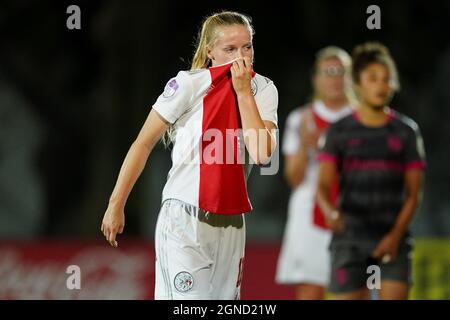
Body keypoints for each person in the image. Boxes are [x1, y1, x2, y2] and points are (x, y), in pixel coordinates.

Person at [100, 11, 278, 300]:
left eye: (247, 47)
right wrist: (116, 203)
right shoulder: (188, 84)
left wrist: (244, 94)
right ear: (210, 52)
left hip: (232, 222)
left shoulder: (264, 90)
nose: (241, 56)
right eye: (230, 49)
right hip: (184, 216)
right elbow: (143, 143)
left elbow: (261, 154)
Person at [316, 42, 426, 300]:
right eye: (373, 78)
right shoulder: (339, 131)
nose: (381, 85)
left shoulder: (406, 131)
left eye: (387, 79)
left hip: (393, 237)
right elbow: (322, 185)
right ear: (357, 84)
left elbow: (414, 193)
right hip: (349, 238)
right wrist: (329, 211)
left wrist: (395, 236)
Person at [276, 47, 354, 299]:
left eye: (339, 72)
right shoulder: (301, 119)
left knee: (352, 289)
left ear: (350, 77)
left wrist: (328, 148)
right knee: (310, 289)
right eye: (327, 72)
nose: (333, 78)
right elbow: (293, 178)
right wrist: (306, 146)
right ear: (316, 78)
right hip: (308, 214)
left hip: (352, 211)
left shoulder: (361, 118)